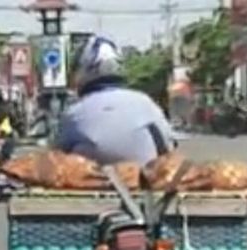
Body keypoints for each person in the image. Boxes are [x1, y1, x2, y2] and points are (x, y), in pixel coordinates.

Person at [54, 35, 175, 167]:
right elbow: (168, 149)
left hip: (91, 183)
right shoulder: (146, 103)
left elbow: (57, 158)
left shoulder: (73, 113)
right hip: (144, 183)